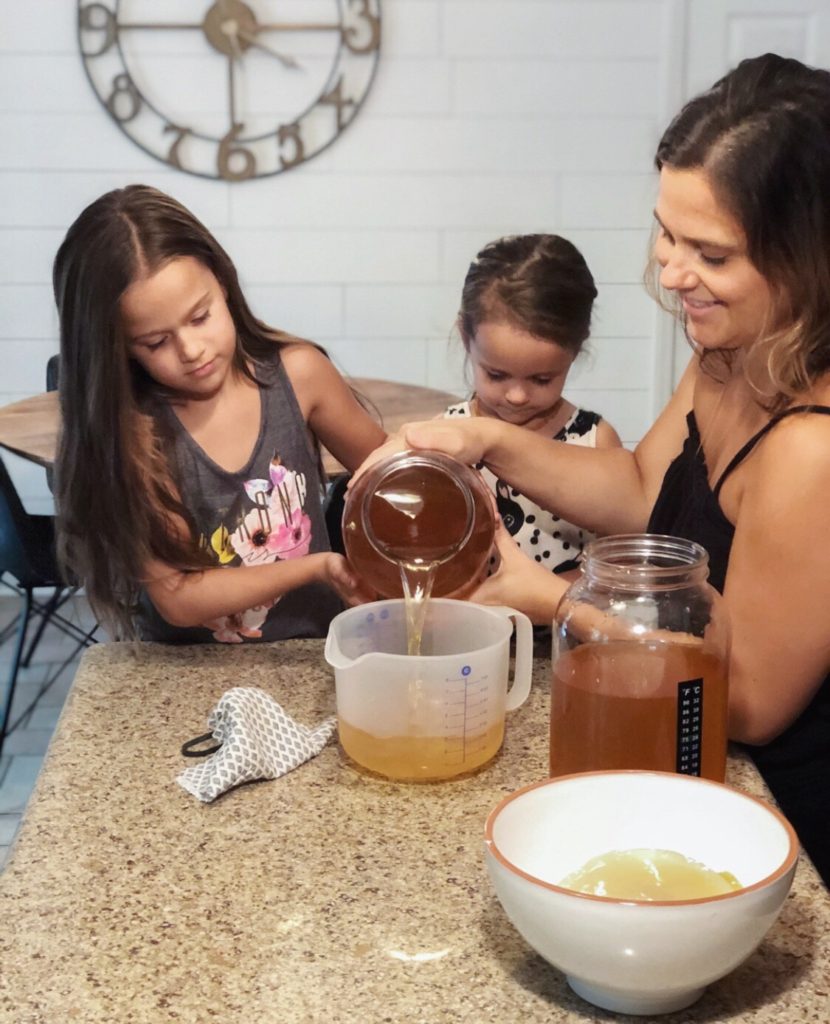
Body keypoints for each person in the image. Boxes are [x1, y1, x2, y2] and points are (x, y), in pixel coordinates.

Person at [359, 54, 830, 885]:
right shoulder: (730, 353)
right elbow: (641, 492)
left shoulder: (812, 448)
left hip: (783, 818)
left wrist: (550, 599)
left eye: (712, 255)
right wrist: (483, 442)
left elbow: (749, 697)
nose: (673, 273)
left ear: (810, 260)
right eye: (667, 232)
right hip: (689, 769)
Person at [52, 185, 386, 644]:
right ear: (116, 350)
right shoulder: (133, 437)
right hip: (190, 674)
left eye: (200, 317)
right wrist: (317, 566)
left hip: (312, 652)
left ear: (222, 282)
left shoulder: (300, 375)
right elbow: (179, 598)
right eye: (155, 342)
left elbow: (392, 478)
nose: (191, 351)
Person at [444, 234, 622, 576]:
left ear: (576, 350)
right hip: (475, 626)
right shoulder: (450, 437)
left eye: (542, 380)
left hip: (566, 627)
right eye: (496, 374)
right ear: (467, 338)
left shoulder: (595, 443)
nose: (517, 396)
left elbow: (619, 564)